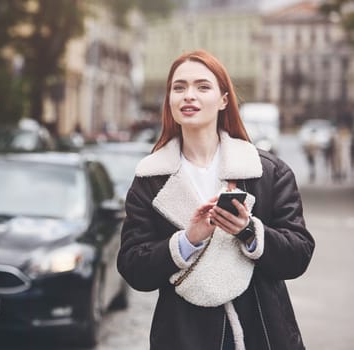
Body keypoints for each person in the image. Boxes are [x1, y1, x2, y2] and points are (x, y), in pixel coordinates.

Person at [117, 50, 315, 350]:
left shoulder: (267, 171)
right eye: (179, 87)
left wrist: (248, 231)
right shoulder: (150, 178)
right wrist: (187, 240)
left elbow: (299, 254)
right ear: (169, 100)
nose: (189, 96)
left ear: (224, 100)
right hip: (182, 336)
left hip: (263, 331)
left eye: (202, 86)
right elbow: (133, 267)